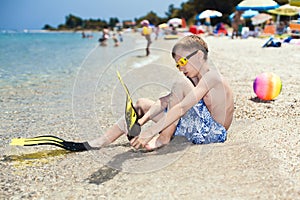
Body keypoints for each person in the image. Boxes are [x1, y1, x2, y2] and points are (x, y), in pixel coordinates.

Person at [87, 35, 234, 151]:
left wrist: (151, 132)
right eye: (177, 65)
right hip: (195, 128)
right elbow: (165, 101)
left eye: (182, 62)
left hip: (212, 133)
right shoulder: (193, 78)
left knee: (179, 84)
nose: (180, 68)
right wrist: (141, 122)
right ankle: (102, 140)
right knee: (141, 104)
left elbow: (181, 107)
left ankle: (163, 138)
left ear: (199, 56)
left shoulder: (212, 77)